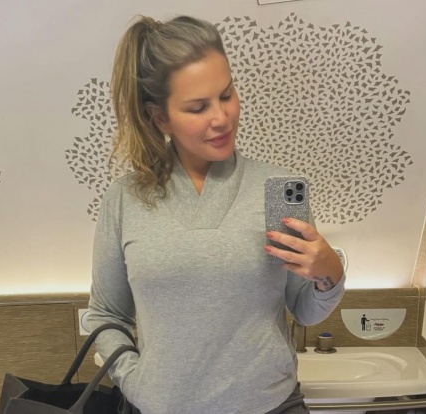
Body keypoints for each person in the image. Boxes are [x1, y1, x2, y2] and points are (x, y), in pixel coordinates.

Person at [88, 15, 346, 414]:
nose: (222, 118)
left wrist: (330, 272)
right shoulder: (124, 199)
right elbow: (106, 314)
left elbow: (305, 310)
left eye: (226, 95)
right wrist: (135, 381)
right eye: (198, 107)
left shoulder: (279, 189)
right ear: (160, 117)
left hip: (272, 406)